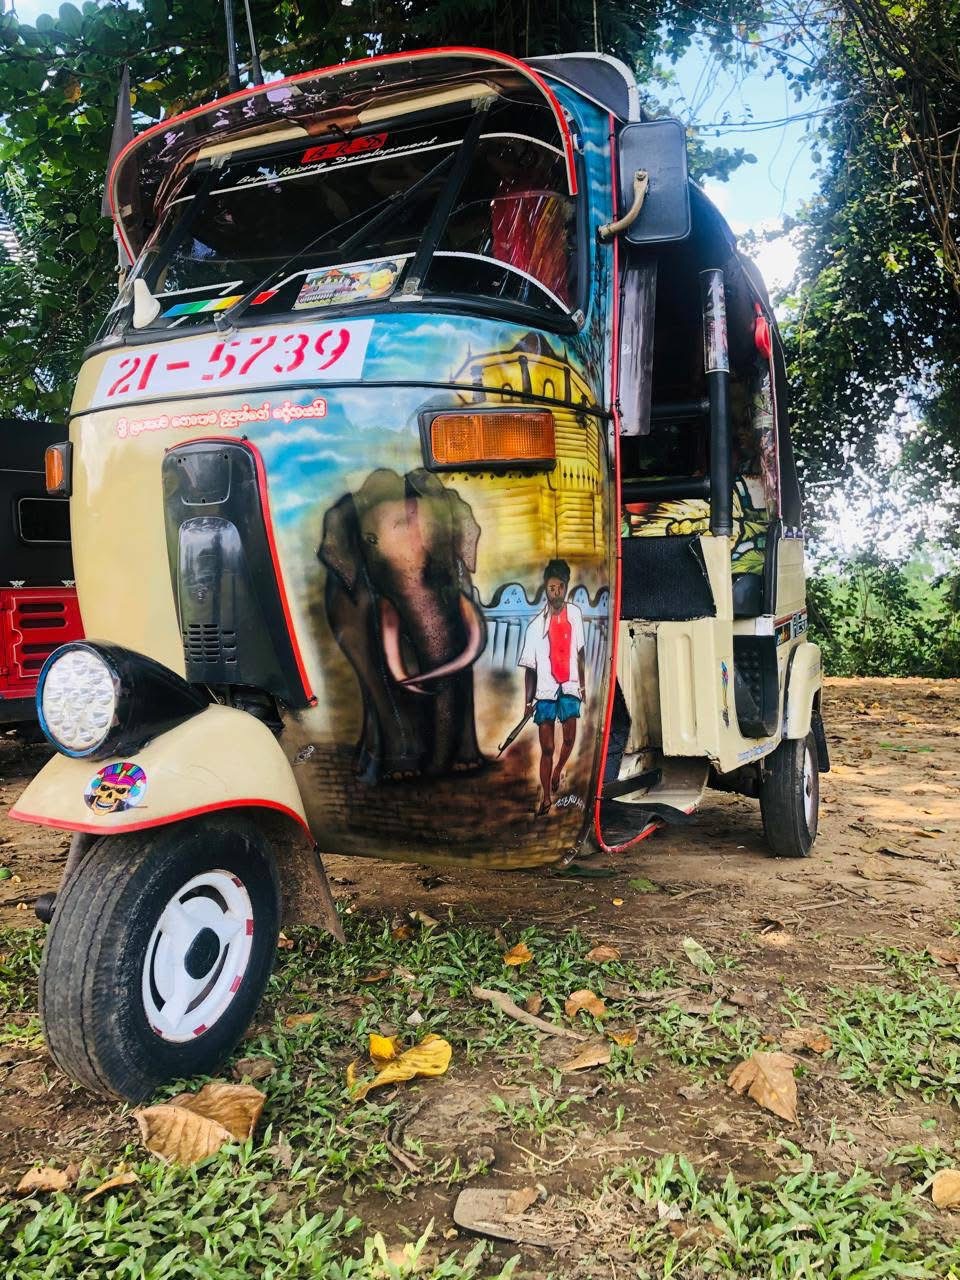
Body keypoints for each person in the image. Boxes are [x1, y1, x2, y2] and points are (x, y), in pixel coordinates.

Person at [518, 559, 586, 815]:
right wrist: (527, 703)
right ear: (545, 590)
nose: (556, 593)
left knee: (569, 738)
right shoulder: (535, 626)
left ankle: (558, 769)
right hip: (545, 691)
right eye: (551, 588)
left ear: (566, 588)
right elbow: (529, 669)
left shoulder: (576, 615)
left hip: (569, 686)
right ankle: (546, 796)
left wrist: (583, 685)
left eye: (560, 587)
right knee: (547, 747)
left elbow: (580, 653)